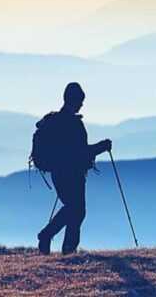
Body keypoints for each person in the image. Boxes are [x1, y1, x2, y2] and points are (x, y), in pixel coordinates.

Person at [36, 82, 112, 255]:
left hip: (58, 173)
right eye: (80, 101)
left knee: (74, 208)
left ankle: (62, 245)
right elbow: (81, 152)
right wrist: (102, 146)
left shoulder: (55, 121)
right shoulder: (73, 124)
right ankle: (57, 242)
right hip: (72, 174)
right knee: (76, 209)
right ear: (74, 100)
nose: (82, 104)